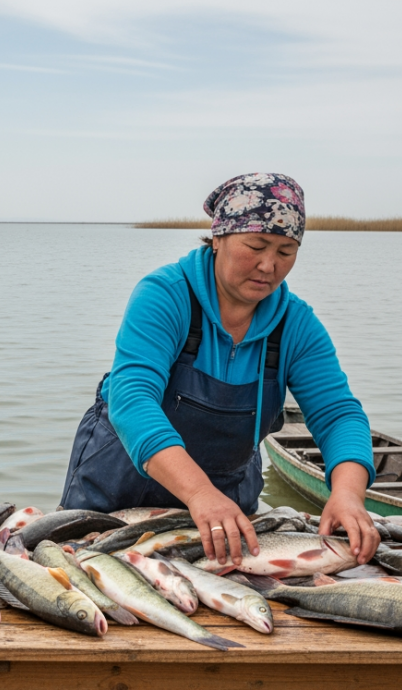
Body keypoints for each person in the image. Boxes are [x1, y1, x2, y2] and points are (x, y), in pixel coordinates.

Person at [60, 173, 379, 564]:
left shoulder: (296, 324)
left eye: (285, 251)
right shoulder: (165, 295)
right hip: (114, 503)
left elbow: (338, 415)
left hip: (225, 517)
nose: (268, 265)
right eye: (256, 245)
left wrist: (347, 494)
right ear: (218, 238)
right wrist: (197, 493)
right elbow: (132, 398)